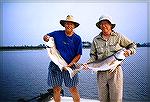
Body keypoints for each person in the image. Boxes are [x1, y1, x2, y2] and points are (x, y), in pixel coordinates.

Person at [85, 15, 136, 102]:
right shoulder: (95, 40)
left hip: (116, 71)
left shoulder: (118, 36)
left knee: (116, 99)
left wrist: (129, 51)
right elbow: (93, 56)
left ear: (111, 25)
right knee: (103, 99)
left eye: (106, 23)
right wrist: (87, 64)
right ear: (99, 26)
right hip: (101, 72)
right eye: (102, 24)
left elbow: (132, 45)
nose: (104, 25)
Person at [43, 15, 82, 102]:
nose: (69, 25)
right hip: (55, 66)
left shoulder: (77, 39)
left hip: (70, 65)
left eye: (71, 24)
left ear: (74, 26)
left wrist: (71, 63)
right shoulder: (57, 34)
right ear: (64, 25)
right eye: (67, 23)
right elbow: (46, 36)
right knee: (56, 89)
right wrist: (46, 38)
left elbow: (79, 54)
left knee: (73, 89)